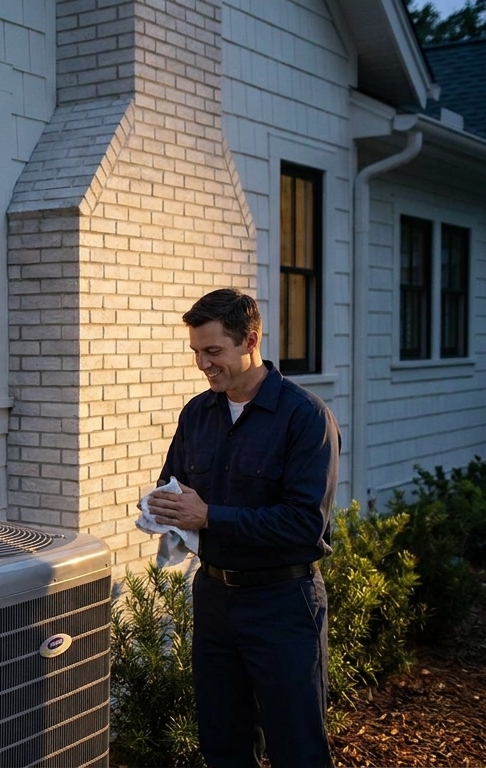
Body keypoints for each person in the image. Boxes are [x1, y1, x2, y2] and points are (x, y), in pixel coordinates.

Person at [146, 288, 340, 768]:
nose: (203, 365)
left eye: (213, 352)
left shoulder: (306, 417)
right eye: (196, 353)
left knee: (298, 748)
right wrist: (162, 507)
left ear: (250, 340)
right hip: (213, 598)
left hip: (283, 603)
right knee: (223, 743)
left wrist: (210, 516)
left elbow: (304, 524)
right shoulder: (197, 413)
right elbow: (175, 486)